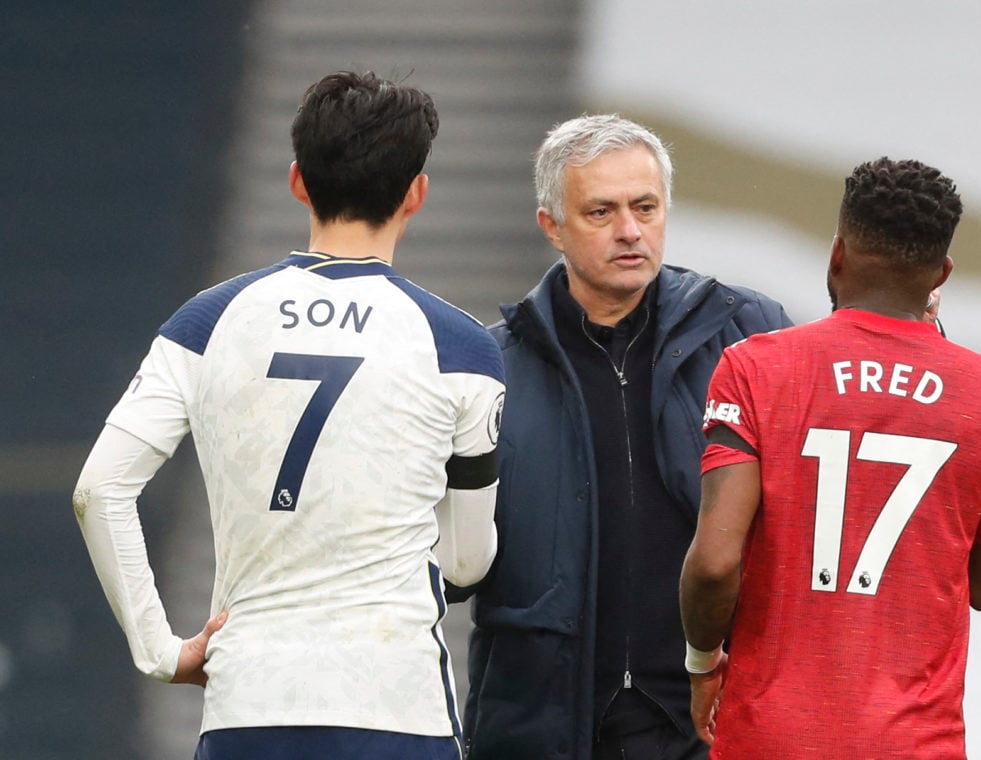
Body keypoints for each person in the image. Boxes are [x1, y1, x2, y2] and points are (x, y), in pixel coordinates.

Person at [72, 71, 505, 759]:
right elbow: (468, 559)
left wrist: (161, 650)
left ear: (298, 180)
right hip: (397, 708)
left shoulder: (205, 323)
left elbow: (99, 489)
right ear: (416, 195)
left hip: (251, 706)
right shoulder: (460, 346)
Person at [451, 114, 792, 760]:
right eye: (601, 212)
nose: (630, 231)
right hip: (542, 732)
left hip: (712, 729)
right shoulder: (489, 368)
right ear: (550, 226)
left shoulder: (750, 334)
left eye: (645, 207)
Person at [679, 157, 981, 759]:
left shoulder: (754, 367)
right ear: (941, 272)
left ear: (837, 253)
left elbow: (715, 563)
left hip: (770, 735)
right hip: (915, 741)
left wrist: (702, 663)